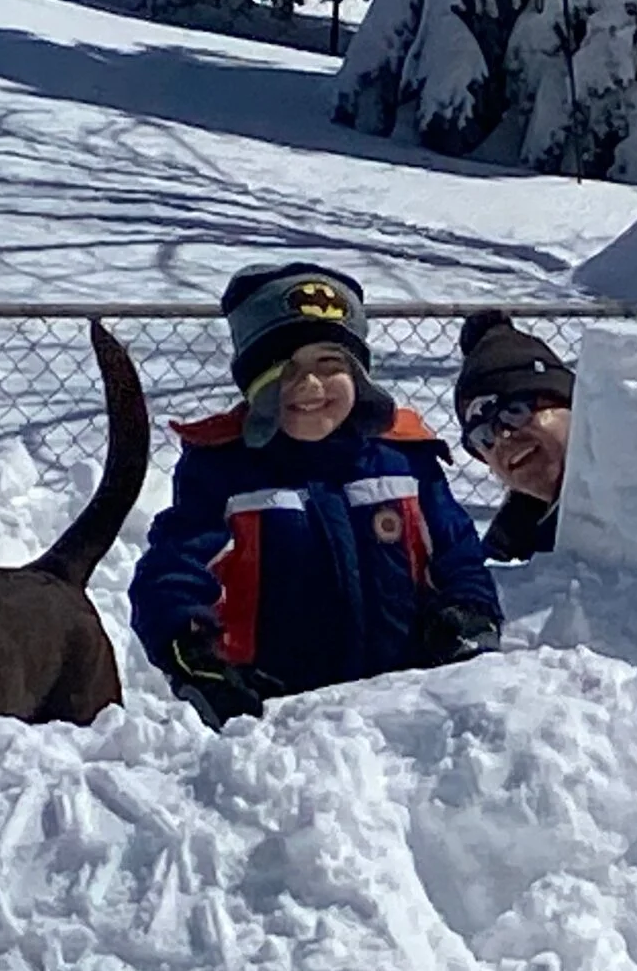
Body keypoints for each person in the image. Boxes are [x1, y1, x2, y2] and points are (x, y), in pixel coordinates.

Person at [132, 263, 502, 727]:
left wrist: (469, 610)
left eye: (330, 366)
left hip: (404, 710)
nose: (309, 386)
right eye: (285, 371)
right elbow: (174, 570)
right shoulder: (225, 473)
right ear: (255, 385)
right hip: (277, 716)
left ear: (359, 377)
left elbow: (456, 552)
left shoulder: (404, 461)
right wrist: (194, 655)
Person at [454, 310, 575, 562]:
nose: (503, 438)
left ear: (568, 402)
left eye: (514, 412)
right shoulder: (505, 556)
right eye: (482, 435)